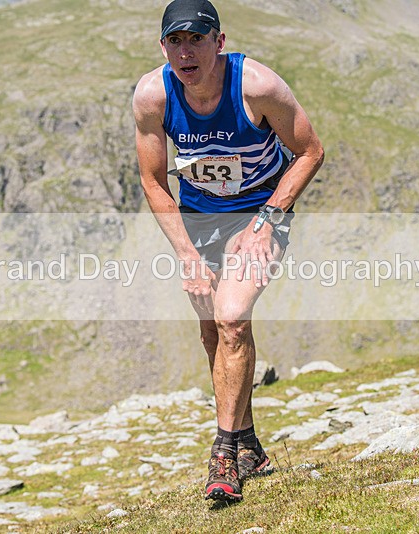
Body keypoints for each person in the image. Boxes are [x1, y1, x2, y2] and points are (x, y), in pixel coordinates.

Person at [132, 0, 324, 502]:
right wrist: (186, 254)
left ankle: (223, 454)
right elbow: (153, 182)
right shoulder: (153, 95)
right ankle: (250, 444)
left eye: (197, 38)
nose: (186, 51)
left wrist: (266, 221)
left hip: (261, 211)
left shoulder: (256, 85)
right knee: (214, 331)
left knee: (233, 317)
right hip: (198, 222)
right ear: (163, 47)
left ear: (219, 41)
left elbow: (310, 151)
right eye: (176, 41)